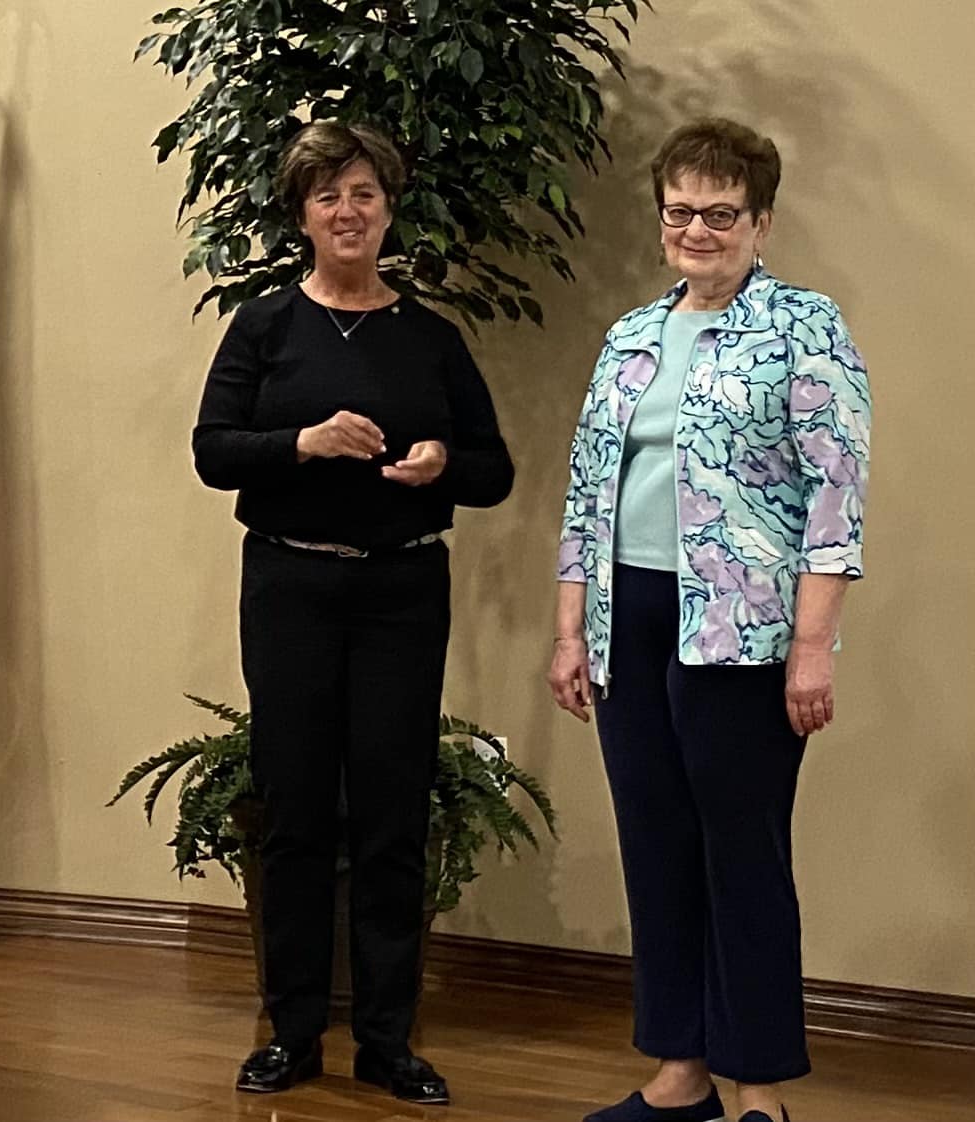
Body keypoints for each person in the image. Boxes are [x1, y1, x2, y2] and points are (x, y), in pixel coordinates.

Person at [548, 118, 871, 1122]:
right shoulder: (631, 337)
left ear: (760, 223)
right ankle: (679, 1074)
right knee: (655, 846)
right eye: (679, 212)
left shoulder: (804, 328)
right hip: (629, 619)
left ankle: (757, 1088)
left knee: (740, 854)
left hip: (743, 632)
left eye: (720, 214)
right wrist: (571, 631)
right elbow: (587, 491)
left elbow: (835, 498)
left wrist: (811, 647)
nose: (697, 230)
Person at [194, 121, 513, 1106]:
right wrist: (303, 442)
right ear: (301, 214)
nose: (347, 211)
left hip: (401, 594)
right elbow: (213, 451)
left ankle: (386, 1040)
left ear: (388, 210)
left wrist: (440, 464)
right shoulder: (263, 328)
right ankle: (291, 1033)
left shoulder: (430, 338)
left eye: (364, 193)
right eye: (327, 195)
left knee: (390, 815)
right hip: (290, 586)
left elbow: (493, 470)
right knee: (293, 810)